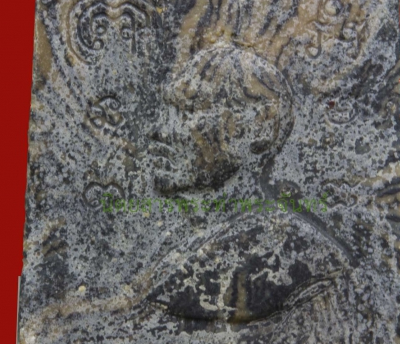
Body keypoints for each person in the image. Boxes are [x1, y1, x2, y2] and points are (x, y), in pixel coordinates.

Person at [145, 42, 351, 324]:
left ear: (255, 129)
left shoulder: (296, 255)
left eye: (187, 112)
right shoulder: (180, 251)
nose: (159, 131)